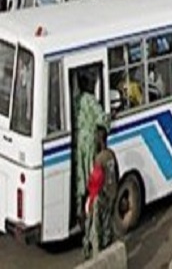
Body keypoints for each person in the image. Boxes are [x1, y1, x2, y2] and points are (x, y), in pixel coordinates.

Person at [75, 71, 109, 225]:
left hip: (78, 142)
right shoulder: (91, 100)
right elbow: (102, 118)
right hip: (89, 142)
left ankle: (79, 209)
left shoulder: (76, 100)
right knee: (91, 177)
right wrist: (110, 117)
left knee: (80, 176)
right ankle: (89, 211)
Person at [84, 125, 118, 259]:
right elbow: (116, 173)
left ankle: (97, 251)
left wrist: (91, 200)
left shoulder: (99, 159)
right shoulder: (111, 154)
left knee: (97, 225)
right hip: (112, 192)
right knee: (108, 221)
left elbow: (95, 183)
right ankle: (108, 244)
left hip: (103, 194)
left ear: (99, 140)